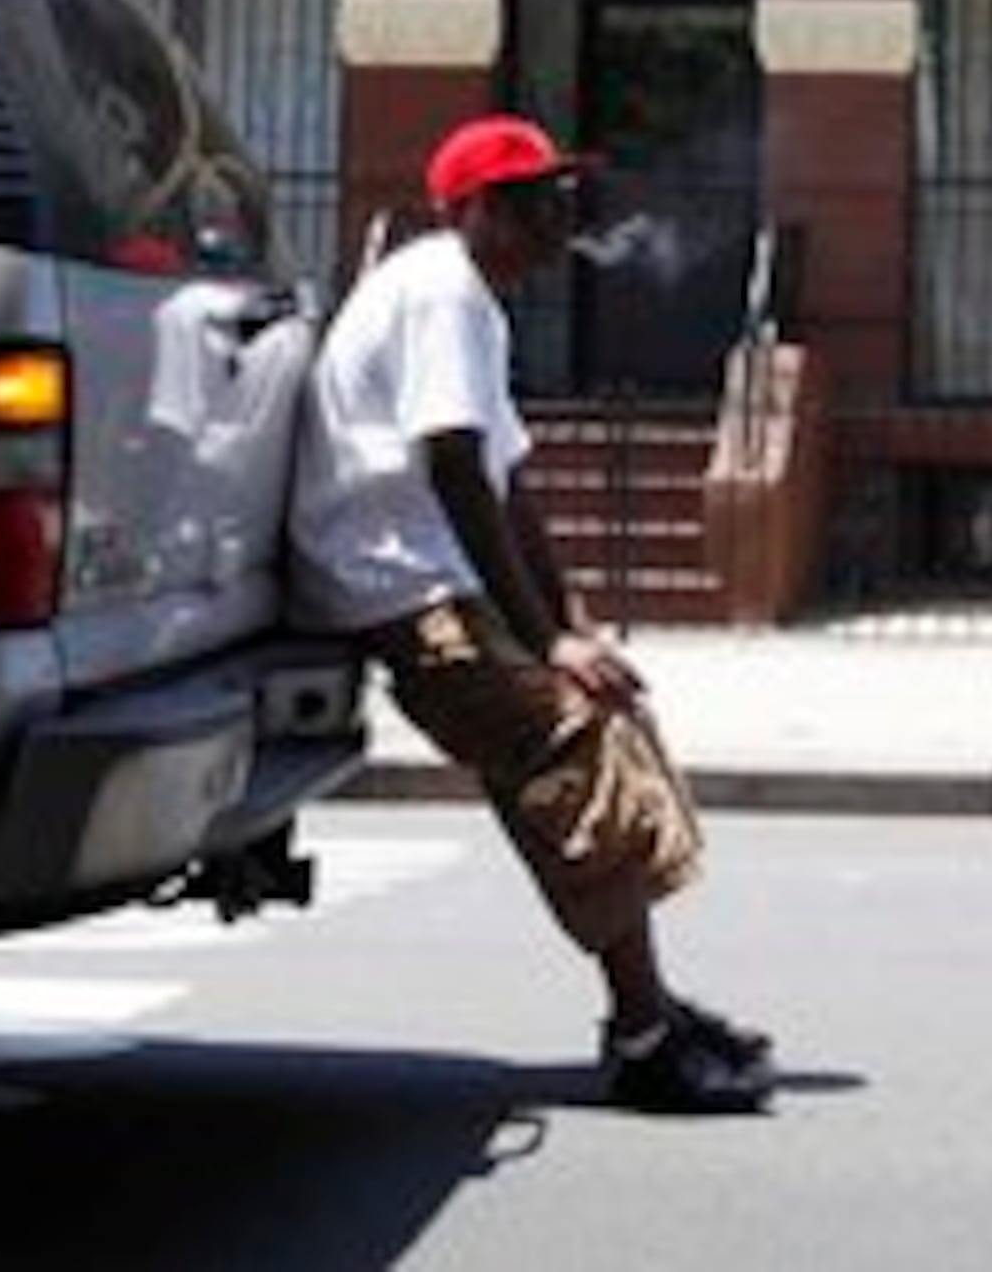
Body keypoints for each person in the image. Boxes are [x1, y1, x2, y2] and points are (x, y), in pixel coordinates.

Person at [290, 111, 774, 1113]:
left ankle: (652, 1004)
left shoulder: (467, 297)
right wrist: (547, 640)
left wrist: (569, 626)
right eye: (536, 199)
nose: (562, 213)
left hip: (431, 572)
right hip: (397, 585)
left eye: (561, 195)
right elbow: (454, 464)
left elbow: (508, 489)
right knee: (574, 748)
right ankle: (644, 1037)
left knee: (605, 708)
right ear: (476, 210)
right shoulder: (442, 293)